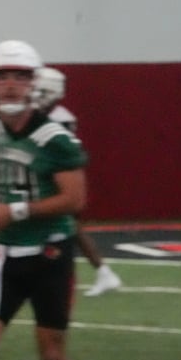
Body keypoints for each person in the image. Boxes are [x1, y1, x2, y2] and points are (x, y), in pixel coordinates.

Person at [0, 40, 86, 360]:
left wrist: (14, 211)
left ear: (34, 82)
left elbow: (75, 199)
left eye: (20, 75)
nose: (10, 84)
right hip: (3, 255)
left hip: (50, 254)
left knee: (53, 357)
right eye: (1, 76)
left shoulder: (55, 139)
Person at [34, 66, 122, 297]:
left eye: (40, 92)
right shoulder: (53, 116)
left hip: (58, 182)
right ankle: (102, 272)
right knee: (69, 230)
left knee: (67, 230)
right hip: (51, 180)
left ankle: (98, 272)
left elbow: (63, 154)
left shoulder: (57, 120)